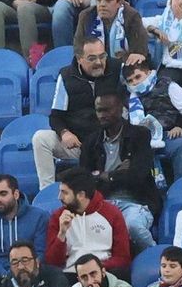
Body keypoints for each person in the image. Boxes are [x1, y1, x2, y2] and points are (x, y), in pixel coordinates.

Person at [32, 35, 122, 190]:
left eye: (102, 56)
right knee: (40, 138)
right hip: (80, 143)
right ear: (79, 59)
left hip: (111, 143)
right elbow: (55, 117)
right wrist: (64, 133)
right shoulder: (66, 76)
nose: (99, 62)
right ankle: (47, 192)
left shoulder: (116, 68)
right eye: (92, 58)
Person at [44, 168, 132, 274]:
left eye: (65, 193)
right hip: (72, 274)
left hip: (104, 271)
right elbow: (52, 262)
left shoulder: (112, 213)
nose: (59, 197)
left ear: (81, 195)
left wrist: (95, 267)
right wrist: (61, 234)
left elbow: (123, 258)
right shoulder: (58, 216)